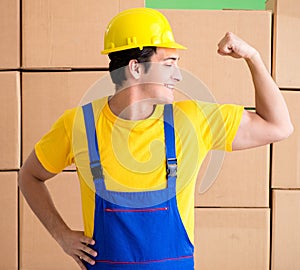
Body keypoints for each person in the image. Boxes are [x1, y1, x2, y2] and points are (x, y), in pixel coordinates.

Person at [18, 7, 293, 270]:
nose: (178, 75)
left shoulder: (193, 120)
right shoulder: (79, 124)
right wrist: (61, 235)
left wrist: (253, 57)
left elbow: (278, 126)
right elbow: (29, 176)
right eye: (169, 64)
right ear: (136, 68)